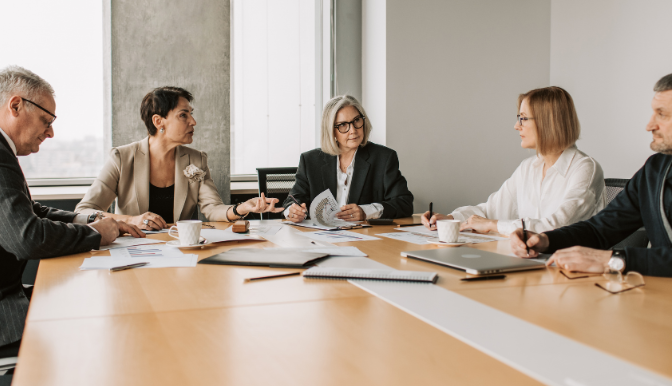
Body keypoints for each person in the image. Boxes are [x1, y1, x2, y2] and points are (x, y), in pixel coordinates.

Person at [0, 66, 139, 357]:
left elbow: (30, 211)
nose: (51, 132)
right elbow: (27, 238)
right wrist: (96, 234)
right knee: (96, 327)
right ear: (16, 105)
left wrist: (92, 218)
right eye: (46, 120)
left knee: (81, 302)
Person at [512, 74, 672, 277]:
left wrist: (613, 260)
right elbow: (600, 229)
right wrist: (546, 240)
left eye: (662, 114)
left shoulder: (584, 166)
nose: (650, 125)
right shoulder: (655, 170)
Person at [76, 87, 282, 229]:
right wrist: (131, 220)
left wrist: (243, 207)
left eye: (191, 114)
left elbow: (212, 209)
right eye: (183, 115)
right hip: (131, 252)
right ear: (159, 121)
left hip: (180, 252)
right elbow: (85, 211)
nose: (193, 121)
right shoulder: (122, 158)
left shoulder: (197, 160)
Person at [423, 86, 605, 235]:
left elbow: (554, 227)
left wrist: (493, 225)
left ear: (548, 122)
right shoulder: (528, 168)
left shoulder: (585, 169)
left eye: (523, 118)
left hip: (569, 269)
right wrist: (451, 219)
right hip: (529, 260)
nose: (516, 126)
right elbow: (490, 211)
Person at [284, 95, 413, 222]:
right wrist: (292, 211)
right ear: (331, 131)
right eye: (343, 125)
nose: (353, 130)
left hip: (364, 238)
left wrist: (366, 212)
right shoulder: (310, 160)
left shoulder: (383, 158)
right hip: (320, 237)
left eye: (357, 120)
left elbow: (404, 203)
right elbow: (293, 200)